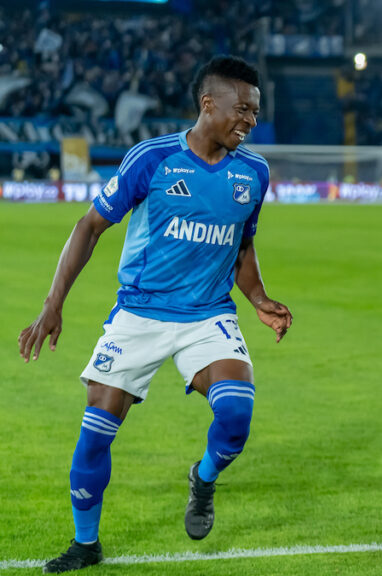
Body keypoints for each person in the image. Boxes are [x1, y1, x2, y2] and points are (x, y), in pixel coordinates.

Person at [18, 55, 292, 573]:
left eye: (255, 113)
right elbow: (89, 227)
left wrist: (258, 299)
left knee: (236, 416)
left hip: (207, 315)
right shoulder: (153, 158)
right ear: (209, 103)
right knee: (95, 432)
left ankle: (203, 479)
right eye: (242, 109)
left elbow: (241, 244)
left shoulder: (253, 171)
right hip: (140, 313)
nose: (250, 121)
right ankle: (85, 544)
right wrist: (52, 306)